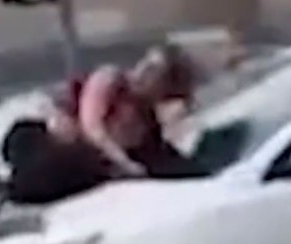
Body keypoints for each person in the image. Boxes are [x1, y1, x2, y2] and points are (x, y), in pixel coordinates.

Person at [69, 43, 197, 177]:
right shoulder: (111, 79)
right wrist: (124, 163)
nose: (144, 71)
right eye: (147, 64)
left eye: (155, 72)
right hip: (85, 157)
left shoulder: (148, 113)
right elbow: (91, 127)